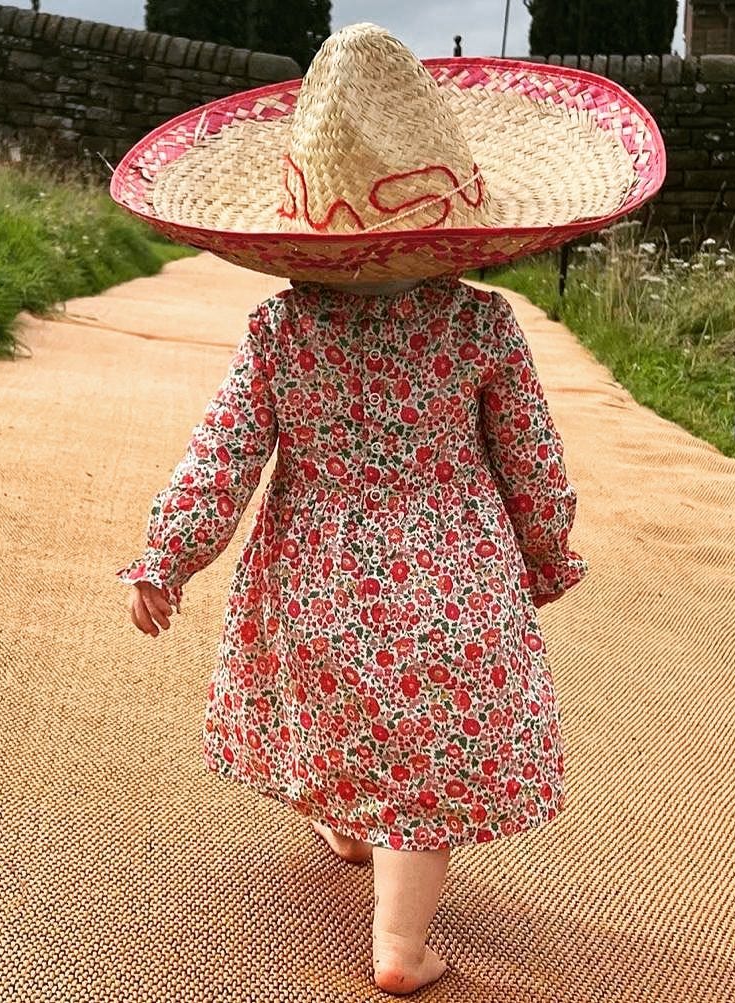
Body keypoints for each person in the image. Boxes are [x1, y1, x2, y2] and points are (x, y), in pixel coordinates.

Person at [111, 21, 663, 997]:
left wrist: (167, 557)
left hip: (312, 581)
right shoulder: (479, 324)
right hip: (451, 585)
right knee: (426, 781)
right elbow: (533, 460)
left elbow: (220, 460)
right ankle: (400, 944)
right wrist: (545, 552)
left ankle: (342, 813)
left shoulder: (280, 331)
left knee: (339, 710)